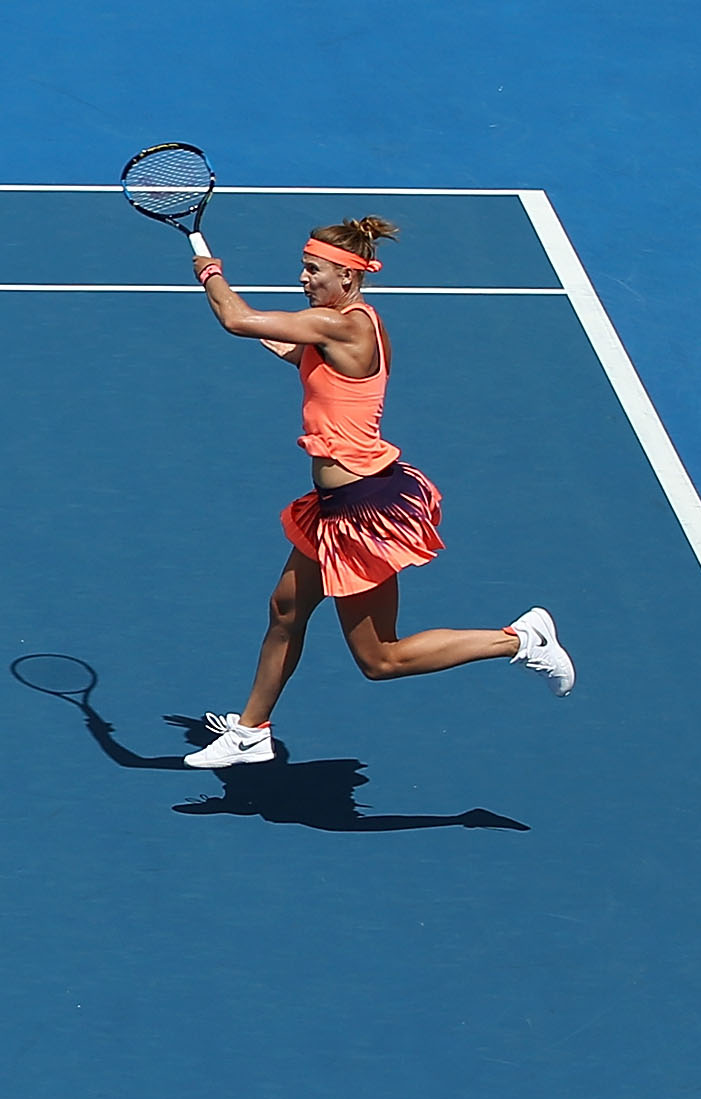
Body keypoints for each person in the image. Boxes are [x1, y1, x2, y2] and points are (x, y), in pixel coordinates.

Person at [181, 217, 572, 770]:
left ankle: (518, 640)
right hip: (333, 509)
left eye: (313, 270)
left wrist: (210, 273)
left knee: (379, 659)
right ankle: (251, 732)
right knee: (286, 610)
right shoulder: (333, 326)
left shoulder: (350, 328)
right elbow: (274, 339)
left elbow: (238, 319)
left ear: (347, 276)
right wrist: (239, 312)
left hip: (364, 512)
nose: (303, 278)